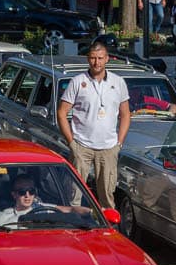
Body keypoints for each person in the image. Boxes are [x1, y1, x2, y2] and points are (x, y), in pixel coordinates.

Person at [56, 40, 131, 209]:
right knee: (75, 193)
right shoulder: (77, 82)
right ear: (87, 59)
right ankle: (73, 227)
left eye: (100, 58)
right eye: (92, 58)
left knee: (107, 194)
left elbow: (126, 115)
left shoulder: (118, 82)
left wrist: (119, 143)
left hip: (108, 147)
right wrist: (72, 143)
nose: (96, 62)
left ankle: (108, 230)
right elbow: (61, 113)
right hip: (82, 146)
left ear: (107, 59)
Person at [0, 174, 86, 227]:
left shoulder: (43, 207)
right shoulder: (5, 216)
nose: (27, 195)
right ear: (14, 195)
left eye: (31, 191)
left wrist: (93, 212)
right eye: (22, 192)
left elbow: (71, 210)